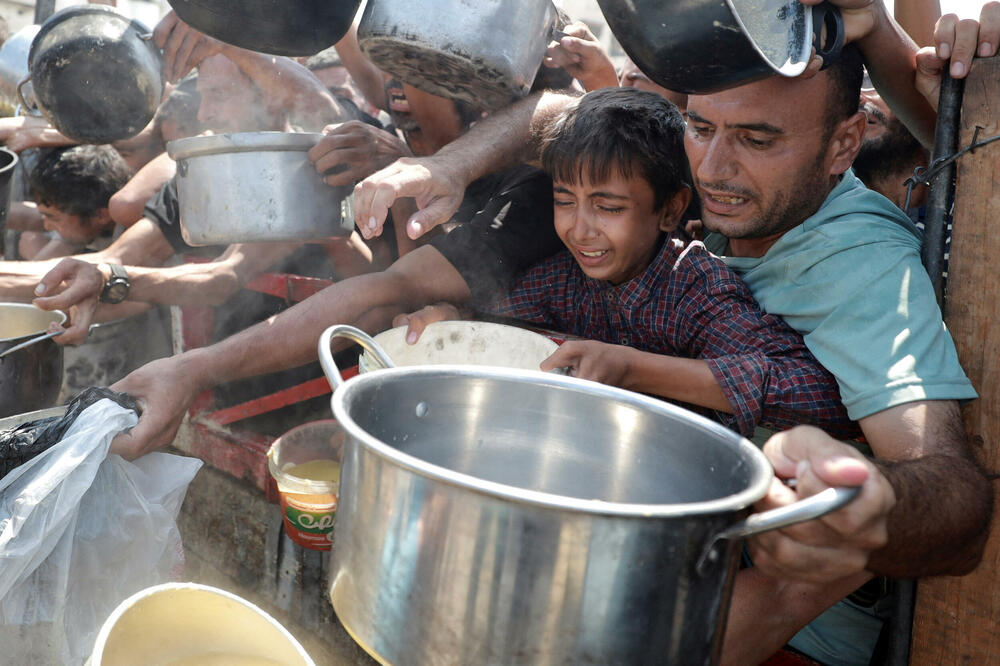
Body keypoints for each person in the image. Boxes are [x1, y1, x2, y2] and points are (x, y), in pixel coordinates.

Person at [345, 15, 993, 666]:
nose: (713, 169)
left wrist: (870, 509)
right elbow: (560, 116)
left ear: (843, 143)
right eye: (701, 128)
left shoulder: (861, 268)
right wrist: (449, 171)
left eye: (757, 140)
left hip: (789, 621)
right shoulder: (716, 202)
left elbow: (956, 502)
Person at [416, 87, 857, 438]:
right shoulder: (561, 279)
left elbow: (818, 395)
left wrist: (635, 369)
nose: (580, 229)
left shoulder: (696, 288)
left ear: (670, 210)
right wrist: (453, 322)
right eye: (565, 201)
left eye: (608, 208)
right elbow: (501, 331)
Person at [22, 145, 132, 259]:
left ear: (101, 215)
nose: (47, 226)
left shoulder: (134, 240)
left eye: (54, 218)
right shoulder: (84, 223)